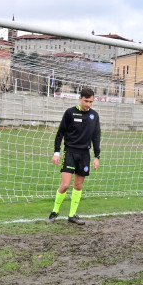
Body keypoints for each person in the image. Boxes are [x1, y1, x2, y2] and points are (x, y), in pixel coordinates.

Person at [46, 87, 101, 225]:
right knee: (65, 185)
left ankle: (72, 215)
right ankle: (54, 212)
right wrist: (56, 153)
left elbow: (96, 137)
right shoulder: (70, 113)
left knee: (78, 186)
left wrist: (97, 156)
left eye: (91, 102)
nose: (88, 104)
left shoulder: (94, 116)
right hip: (69, 152)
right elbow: (60, 134)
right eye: (86, 101)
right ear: (80, 98)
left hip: (84, 155)